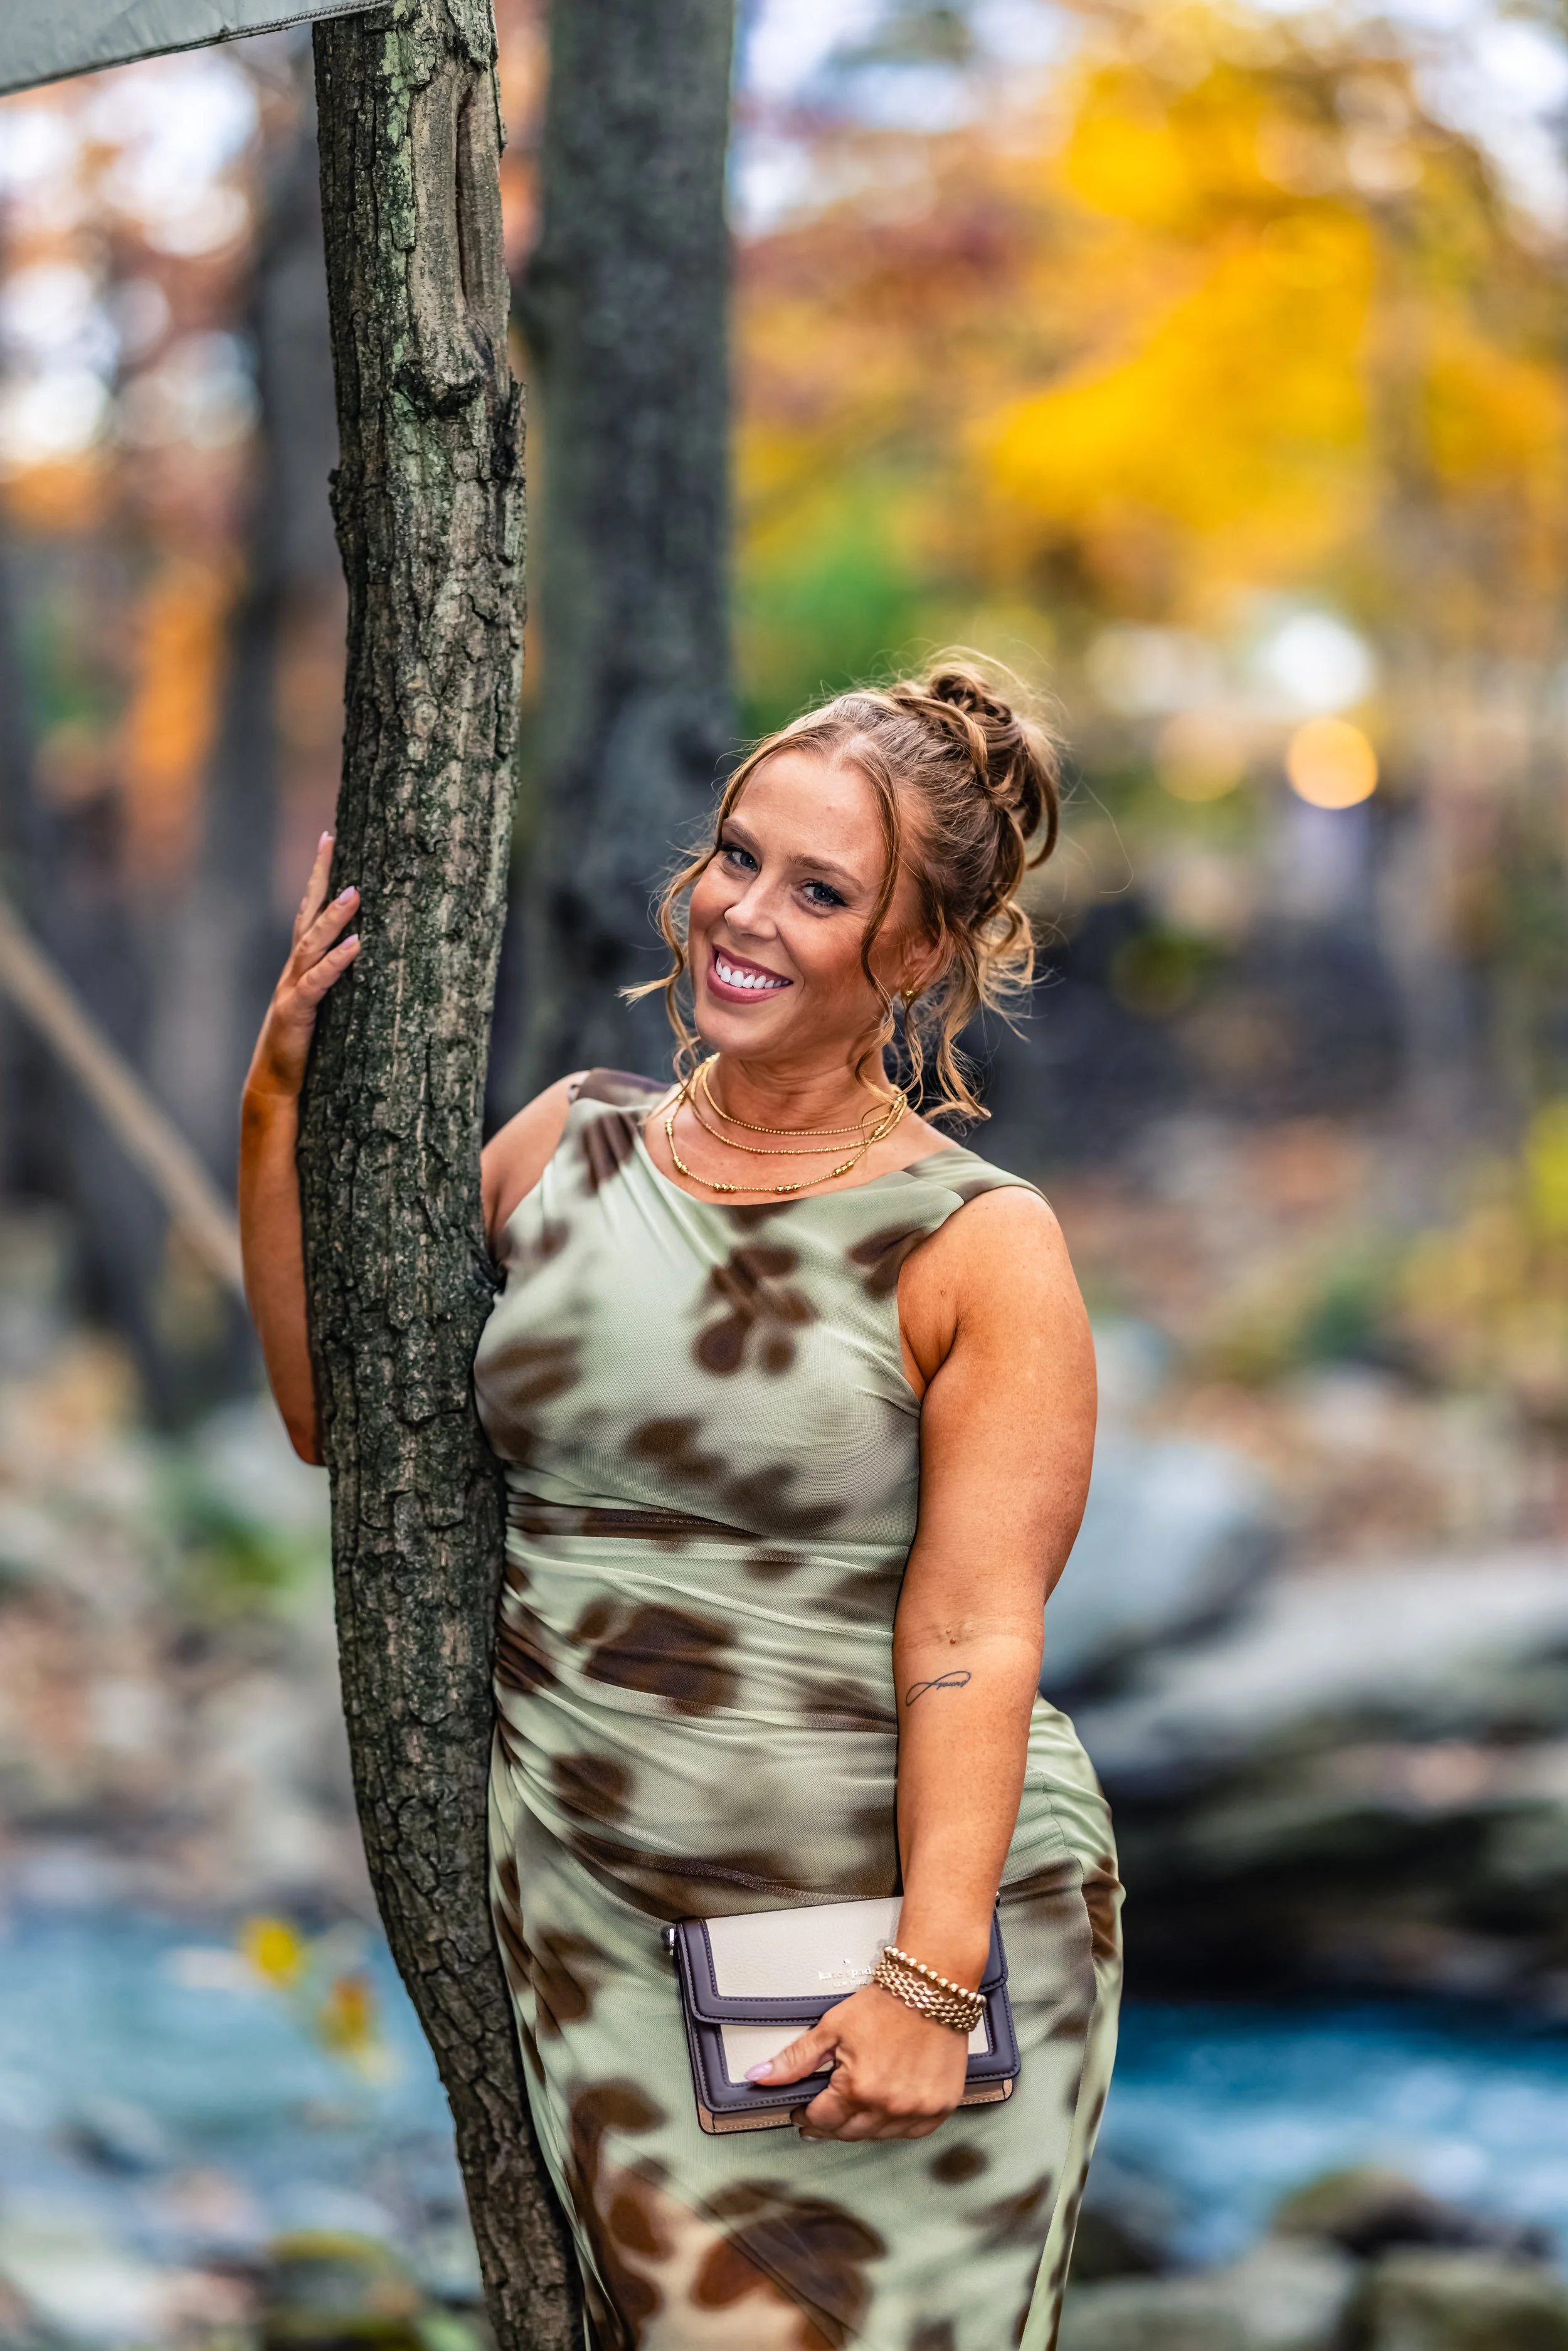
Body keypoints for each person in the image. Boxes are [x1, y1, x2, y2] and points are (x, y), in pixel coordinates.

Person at [239, 660, 1121, 2351]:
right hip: (608, 1928)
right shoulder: (569, 1149)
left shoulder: (976, 1242)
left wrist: (930, 1977)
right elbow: (330, 1415)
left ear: (919, 951)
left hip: (890, 1943)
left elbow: (971, 1624)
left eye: (819, 890)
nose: (743, 912)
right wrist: (279, 1094)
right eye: (735, 855)